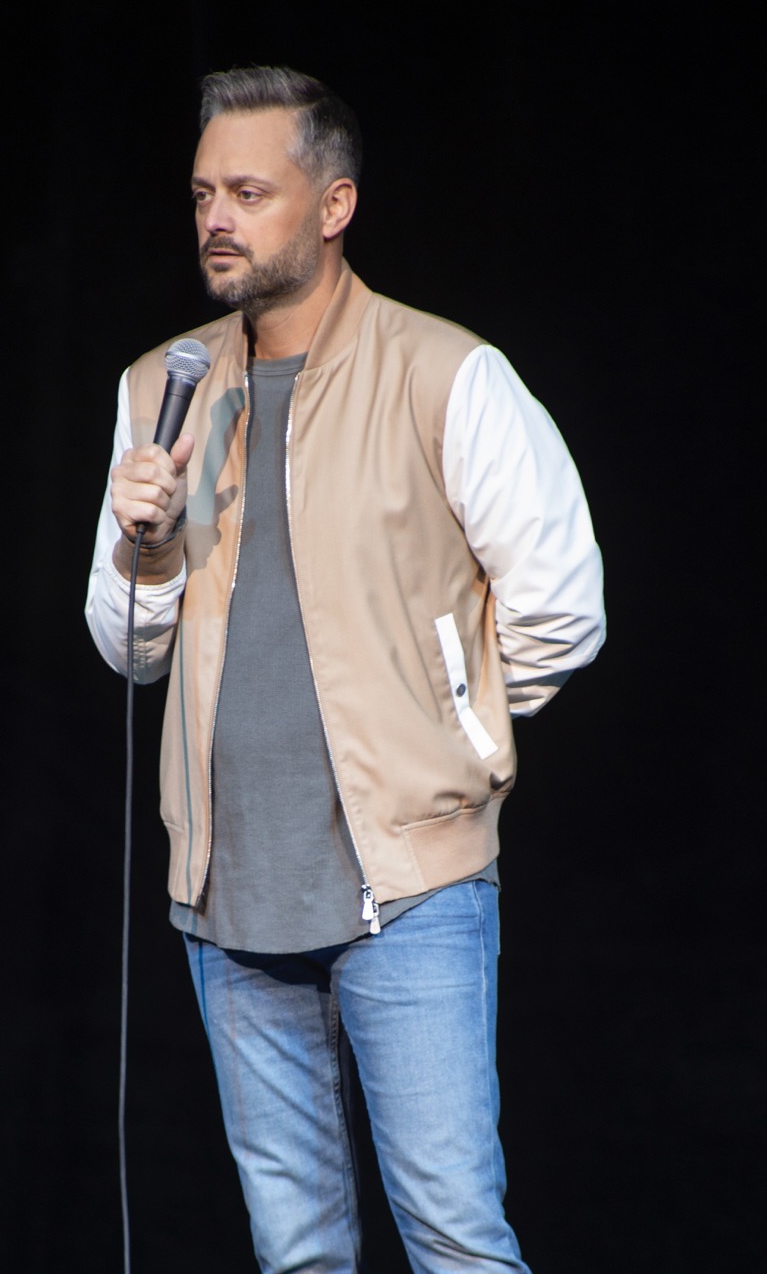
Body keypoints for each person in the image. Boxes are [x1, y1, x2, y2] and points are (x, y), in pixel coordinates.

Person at [86, 65, 605, 1274]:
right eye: (204, 194)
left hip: (409, 892)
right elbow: (129, 649)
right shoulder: (161, 389)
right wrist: (141, 543)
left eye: (250, 191)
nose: (217, 218)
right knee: (299, 1254)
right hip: (227, 901)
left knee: (456, 1238)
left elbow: (562, 608)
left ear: (334, 205)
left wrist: (454, 740)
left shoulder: (444, 372)